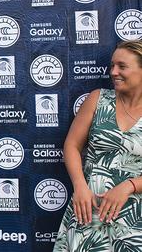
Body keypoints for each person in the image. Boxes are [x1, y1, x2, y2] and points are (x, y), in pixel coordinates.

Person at [54, 40, 142, 251]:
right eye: (112, 66)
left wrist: (129, 186)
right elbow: (72, 145)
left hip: (134, 221)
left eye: (122, 66)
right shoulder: (98, 99)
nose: (113, 72)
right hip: (88, 212)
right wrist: (80, 187)